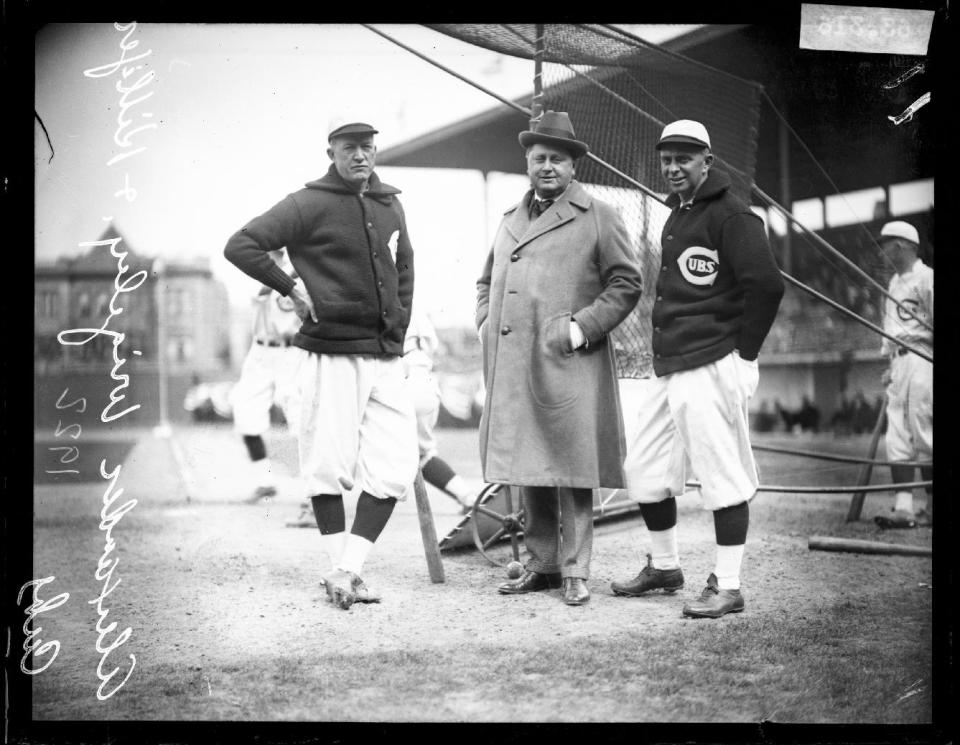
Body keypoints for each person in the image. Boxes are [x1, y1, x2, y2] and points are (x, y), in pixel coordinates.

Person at [224, 119, 418, 610]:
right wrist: (292, 287)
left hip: (385, 355)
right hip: (330, 352)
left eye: (368, 148)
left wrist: (397, 331)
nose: (360, 156)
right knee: (327, 466)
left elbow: (405, 275)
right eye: (349, 148)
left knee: (395, 465)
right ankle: (342, 567)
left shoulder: (390, 202)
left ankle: (347, 568)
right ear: (330, 152)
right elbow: (240, 244)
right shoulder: (307, 203)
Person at [612, 119, 784, 618]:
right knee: (642, 470)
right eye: (667, 158)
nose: (673, 167)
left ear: (707, 162)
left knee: (721, 476)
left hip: (712, 361)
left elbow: (768, 286)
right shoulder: (677, 214)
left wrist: (746, 356)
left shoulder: (732, 214)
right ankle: (665, 566)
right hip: (670, 364)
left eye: (684, 158)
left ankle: (728, 585)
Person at [476, 111, 643, 606]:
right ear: (527, 163)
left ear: (573, 166)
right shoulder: (510, 219)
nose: (546, 166)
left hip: (568, 358)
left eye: (557, 159)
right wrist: (486, 321)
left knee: (571, 465)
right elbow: (485, 280)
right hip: (514, 361)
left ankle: (576, 570)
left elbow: (627, 283)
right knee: (529, 463)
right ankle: (542, 564)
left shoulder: (599, 215)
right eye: (538, 158)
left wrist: (578, 329)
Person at [872, 220, 933, 529]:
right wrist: (889, 363)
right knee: (897, 432)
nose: (881, 251)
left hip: (923, 360)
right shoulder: (894, 284)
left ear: (902, 245)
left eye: (886, 244)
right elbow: (890, 329)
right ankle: (904, 508)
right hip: (898, 363)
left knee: (924, 429)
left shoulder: (928, 279)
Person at [229, 250, 302, 504]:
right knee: (244, 409)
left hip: (289, 352)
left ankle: (313, 489)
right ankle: (265, 480)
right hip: (260, 351)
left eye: (275, 254)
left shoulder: (298, 276)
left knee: (299, 416)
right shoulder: (266, 276)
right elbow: (261, 294)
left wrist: (291, 275)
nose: (270, 259)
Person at [404, 306, 479, 513]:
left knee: (356, 444)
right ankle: (467, 497)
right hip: (426, 382)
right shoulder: (414, 308)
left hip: (401, 377)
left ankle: (314, 506)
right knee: (423, 454)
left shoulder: (380, 296)